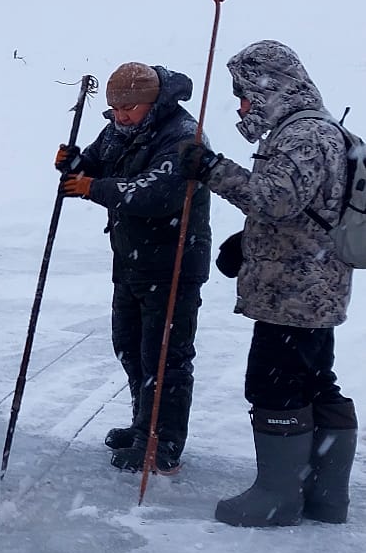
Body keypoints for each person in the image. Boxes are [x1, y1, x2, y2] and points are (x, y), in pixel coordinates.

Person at [178, 40, 357, 527]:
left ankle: (277, 497)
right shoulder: (318, 130)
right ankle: (325, 497)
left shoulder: (303, 135)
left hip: (294, 293)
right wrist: (248, 242)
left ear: (269, 88)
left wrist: (213, 169)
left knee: (274, 384)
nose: (241, 107)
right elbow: (306, 209)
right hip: (312, 285)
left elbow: (275, 200)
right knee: (315, 382)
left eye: (244, 95)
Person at [56, 62, 211, 474]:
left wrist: (93, 188)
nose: (121, 116)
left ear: (151, 101)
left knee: (164, 358)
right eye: (116, 108)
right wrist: (75, 164)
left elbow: (157, 194)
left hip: (172, 263)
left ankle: (161, 443)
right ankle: (144, 425)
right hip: (131, 260)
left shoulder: (182, 136)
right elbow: (97, 163)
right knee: (130, 346)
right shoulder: (120, 130)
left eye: (130, 108)